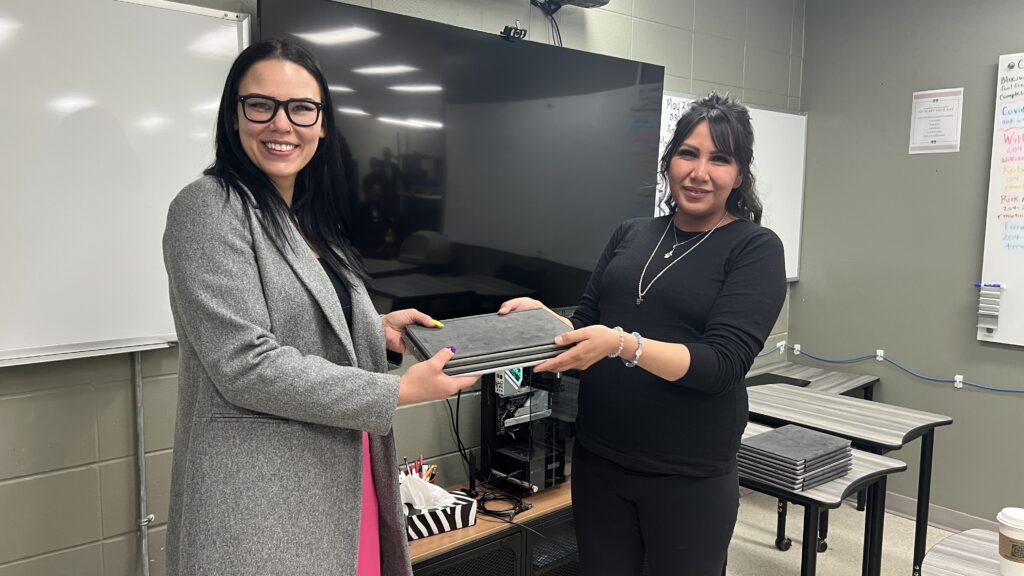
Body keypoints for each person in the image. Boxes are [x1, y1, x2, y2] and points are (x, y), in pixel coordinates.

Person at [162, 38, 477, 576]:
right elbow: (247, 364)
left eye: (301, 108)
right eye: (260, 105)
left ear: (323, 123)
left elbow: (303, 324)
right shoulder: (208, 207)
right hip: (261, 503)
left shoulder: (307, 219)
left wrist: (376, 330)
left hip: (340, 475)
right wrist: (400, 390)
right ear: (234, 116)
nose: (282, 125)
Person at [499, 93, 786, 576]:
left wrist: (622, 345)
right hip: (599, 460)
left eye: (720, 158)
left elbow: (722, 365)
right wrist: (544, 319)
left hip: (688, 476)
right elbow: (588, 318)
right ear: (669, 160)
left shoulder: (754, 248)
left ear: (740, 174)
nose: (700, 172)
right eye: (688, 153)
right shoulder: (631, 234)